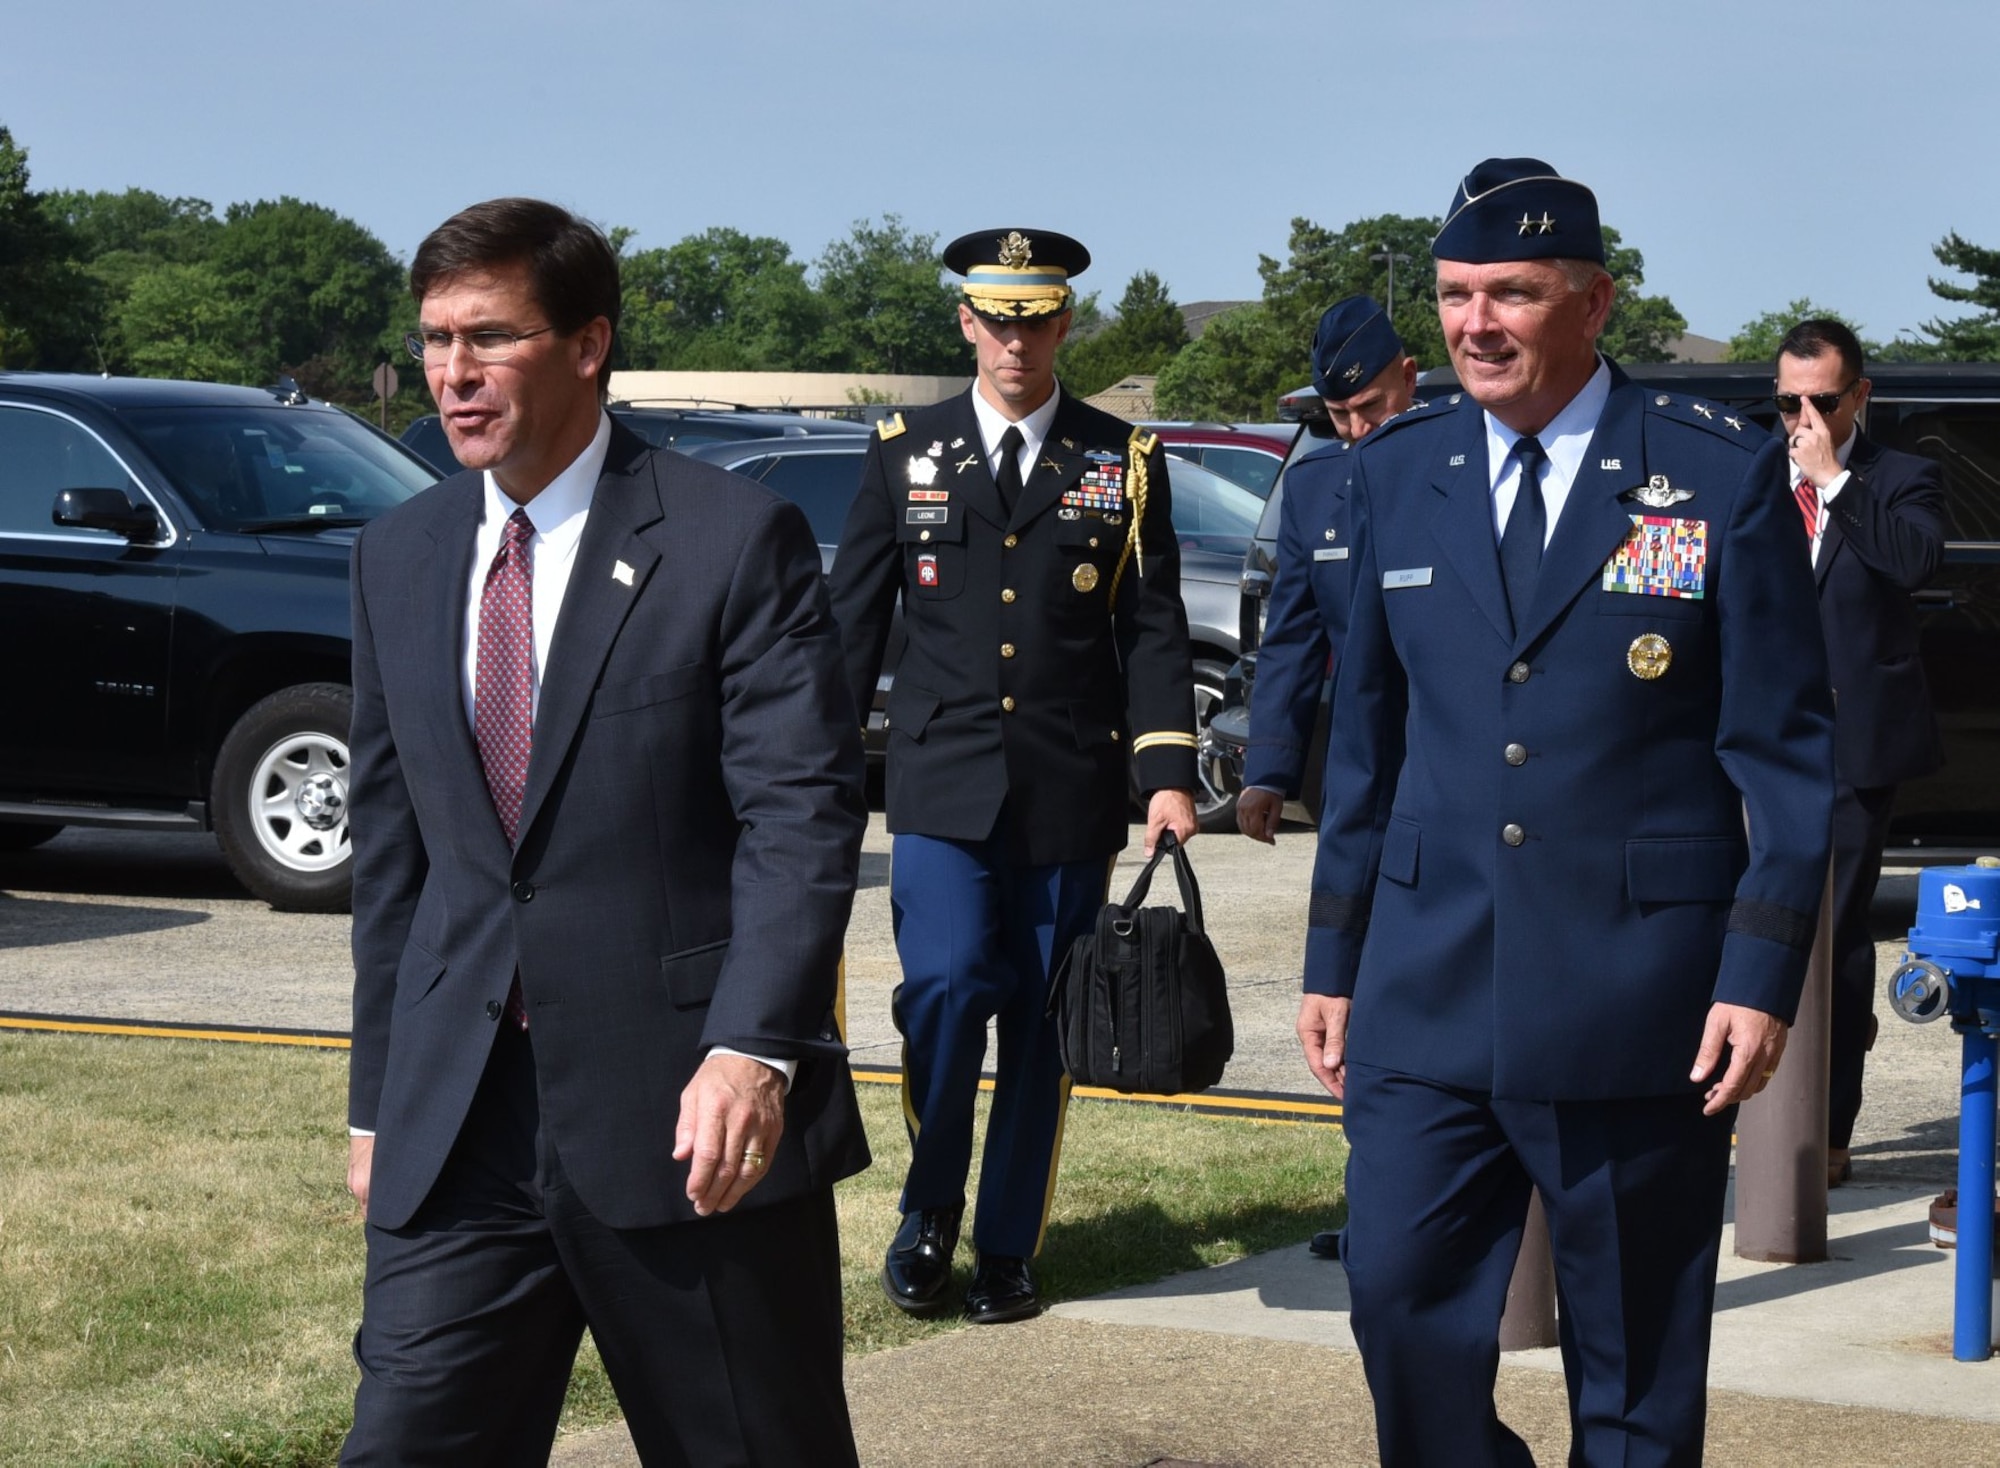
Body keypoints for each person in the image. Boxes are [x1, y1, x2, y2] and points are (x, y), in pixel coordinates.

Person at [1299, 158, 1834, 1465]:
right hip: (1426, 993)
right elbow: (1363, 740)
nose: (1476, 323)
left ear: (1592, 303)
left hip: (1636, 999)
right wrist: (1333, 958)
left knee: (1637, 1369)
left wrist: (1760, 975)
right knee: (1398, 1306)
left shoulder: (1715, 480)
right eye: (1456, 295)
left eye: (1514, 294)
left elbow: (1787, 756)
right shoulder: (1397, 471)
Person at [341, 198, 871, 1464]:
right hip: (459, 1132)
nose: (453, 375)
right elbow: (395, 864)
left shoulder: (730, 538)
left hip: (688, 1124)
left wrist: (753, 1047)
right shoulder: (396, 557)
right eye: (433, 342)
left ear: (587, 345)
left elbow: (799, 816)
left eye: (490, 338)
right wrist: (375, 1103)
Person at [829, 227, 1198, 1325]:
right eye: (996, 320)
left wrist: (1167, 772)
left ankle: (1006, 1246)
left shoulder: (1120, 458)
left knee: (1041, 1026)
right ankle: (927, 1209)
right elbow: (852, 626)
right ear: (965, 324)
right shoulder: (903, 450)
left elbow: (1155, 628)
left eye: (1035, 320)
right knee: (942, 993)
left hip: (1067, 789)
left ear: (1063, 325)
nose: (1015, 341)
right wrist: (814, 769)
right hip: (941, 788)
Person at [1235, 295, 1417, 1263]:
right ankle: (1375, 1205)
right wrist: (1266, 770)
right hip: (1363, 786)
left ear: (1409, 380)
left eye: (1370, 410)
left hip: (1459, 776)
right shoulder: (1314, 496)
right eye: (1339, 417)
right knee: (1357, 998)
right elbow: (1290, 646)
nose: (1355, 432)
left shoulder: (1459, 470)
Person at [1776, 318, 1946, 1186]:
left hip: (1853, 746)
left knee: (1833, 936)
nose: (1802, 417)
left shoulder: (1900, 477)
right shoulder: (1756, 479)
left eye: (1822, 400)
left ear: (1859, 397)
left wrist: (1835, 482)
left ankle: (1827, 1129)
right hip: (1762, 745)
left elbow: (1914, 561)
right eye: (1788, 400)